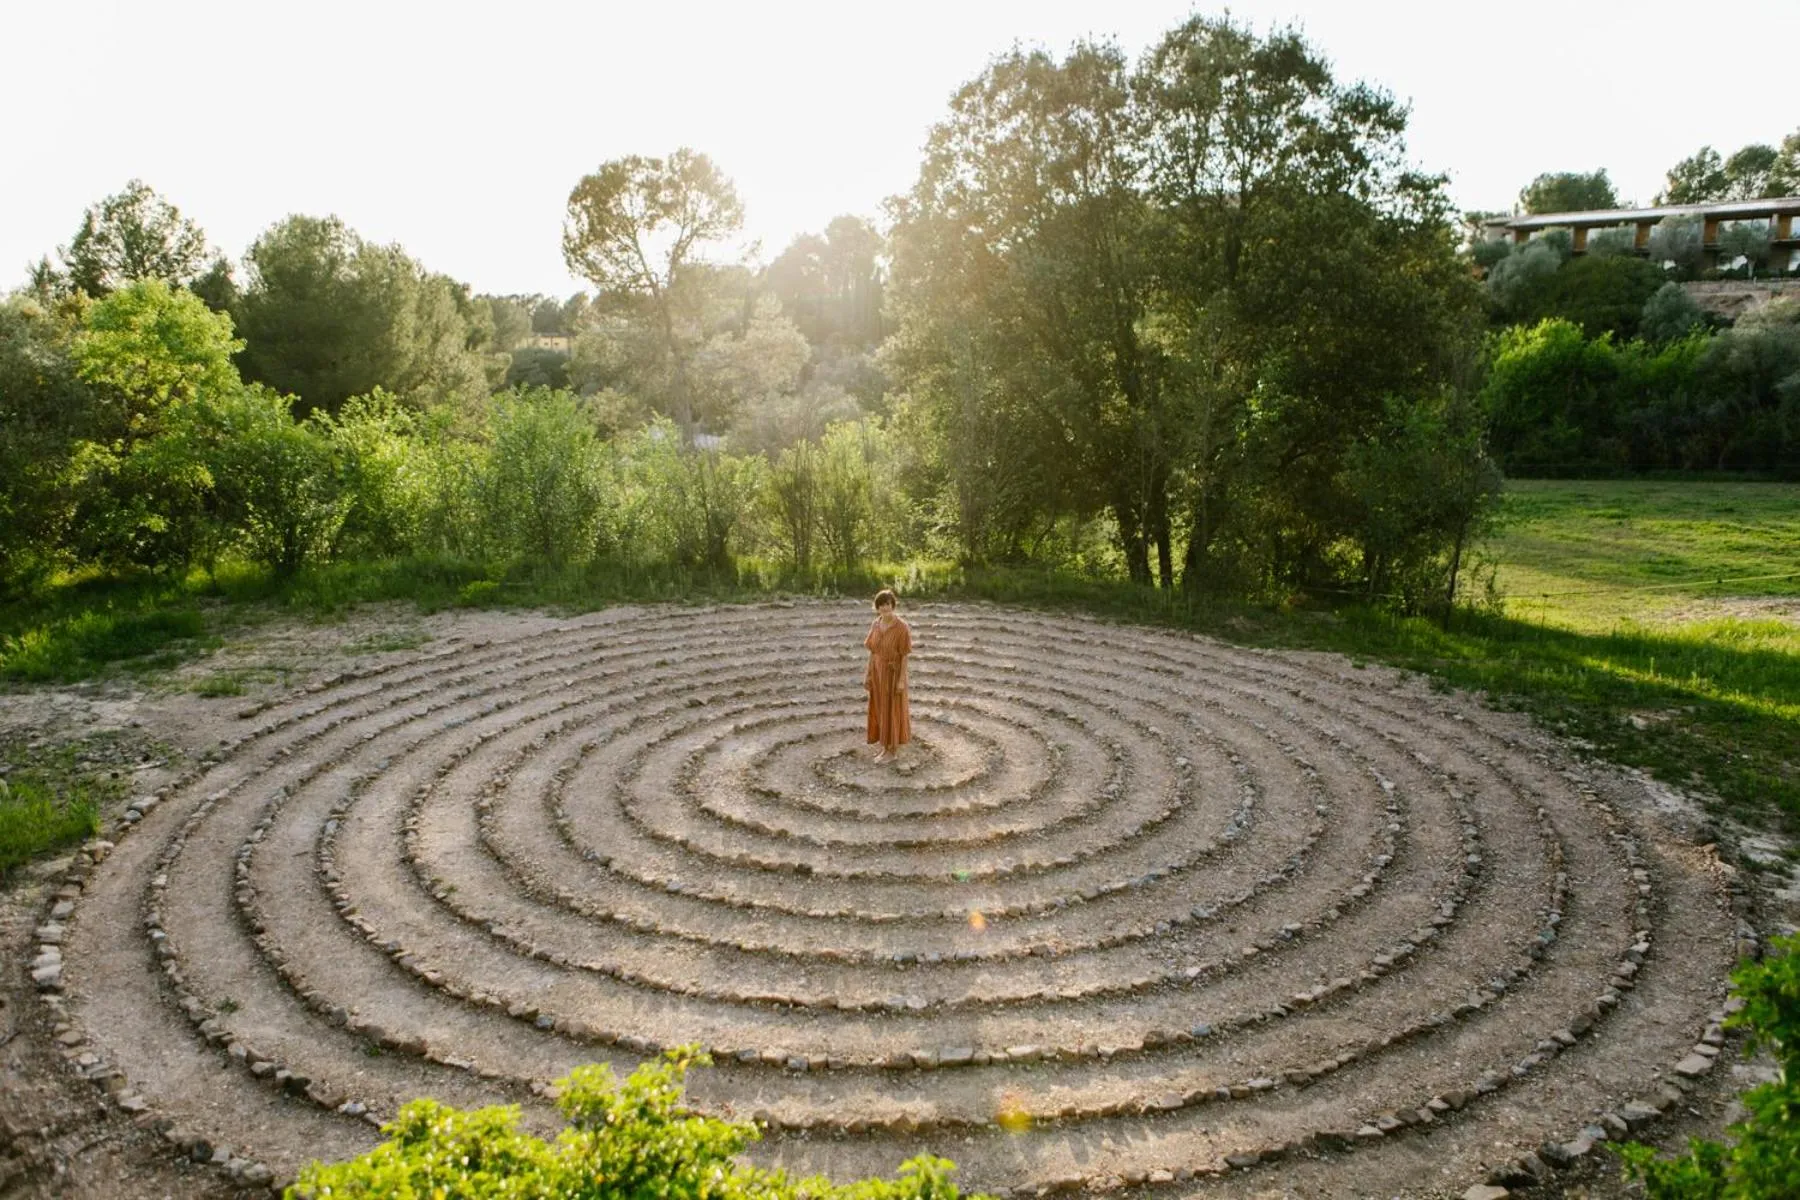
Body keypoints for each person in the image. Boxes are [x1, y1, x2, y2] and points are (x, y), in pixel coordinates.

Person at [863, 589, 912, 762]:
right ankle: (884, 747)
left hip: (893, 675)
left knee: (892, 710)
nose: (885, 608)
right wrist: (868, 675)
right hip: (877, 673)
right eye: (881, 605)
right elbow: (872, 652)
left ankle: (893, 751)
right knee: (881, 709)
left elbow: (905, 655)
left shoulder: (902, 627)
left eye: (888, 604)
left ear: (893, 605)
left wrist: (900, 680)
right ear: (877, 607)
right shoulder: (875, 624)